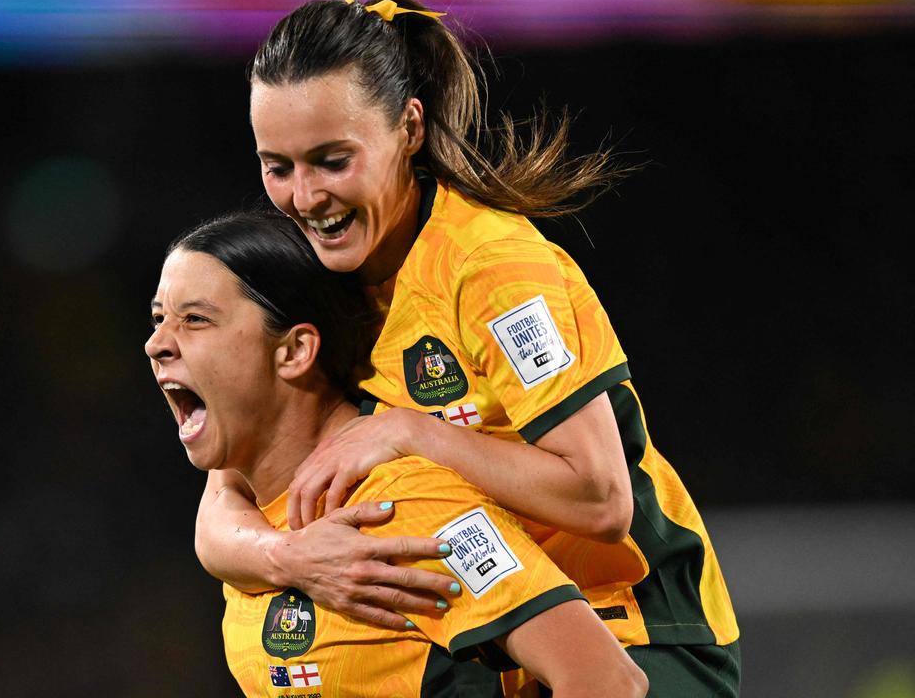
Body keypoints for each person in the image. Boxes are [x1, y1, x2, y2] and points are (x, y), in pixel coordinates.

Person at [195, 0, 741, 695]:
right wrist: (287, 558)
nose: (305, 197)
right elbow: (223, 499)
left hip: (636, 633)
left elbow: (603, 499)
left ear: (410, 129)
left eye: (333, 160)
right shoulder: (317, 273)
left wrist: (412, 434)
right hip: (503, 640)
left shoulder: (493, 271)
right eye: (279, 167)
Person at [147, 210, 647, 697]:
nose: (156, 344)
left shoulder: (403, 504)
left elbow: (607, 681)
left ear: (296, 350)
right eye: (158, 319)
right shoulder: (252, 517)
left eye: (195, 319)